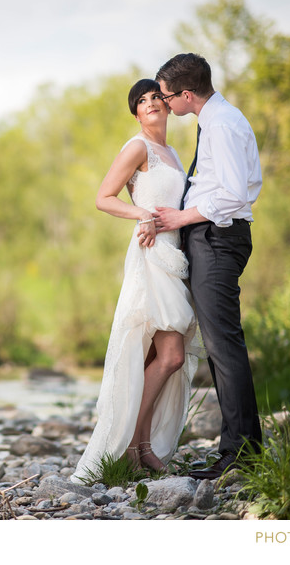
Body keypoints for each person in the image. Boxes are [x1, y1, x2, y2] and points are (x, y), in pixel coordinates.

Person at [70, 79, 203, 483]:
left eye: (155, 98)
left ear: (166, 104)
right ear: (135, 113)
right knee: (172, 356)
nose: (150, 104)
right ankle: (135, 448)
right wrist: (142, 215)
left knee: (156, 356)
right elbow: (104, 197)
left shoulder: (173, 152)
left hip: (174, 255)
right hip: (151, 256)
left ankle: (138, 448)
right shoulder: (137, 147)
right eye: (141, 101)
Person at [153, 53, 263, 480]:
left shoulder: (220, 124)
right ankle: (239, 448)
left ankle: (241, 455)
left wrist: (181, 217)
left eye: (166, 96)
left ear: (185, 94)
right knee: (221, 348)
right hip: (212, 236)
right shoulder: (217, 120)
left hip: (218, 236)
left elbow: (236, 193)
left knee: (223, 345)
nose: (164, 104)